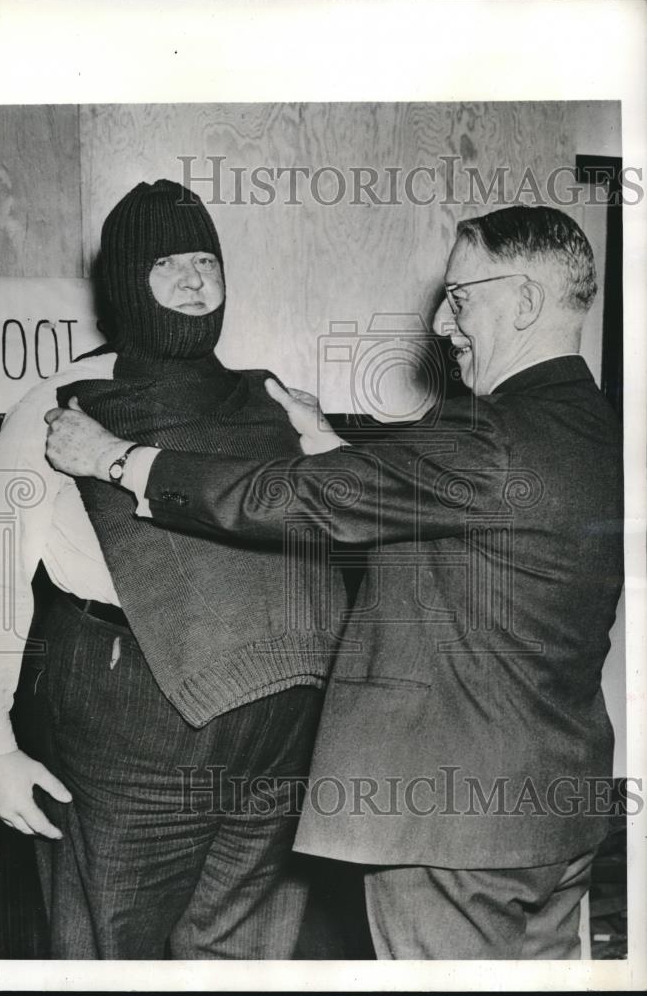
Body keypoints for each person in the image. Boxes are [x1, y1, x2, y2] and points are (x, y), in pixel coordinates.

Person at [45, 205, 624, 959]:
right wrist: (329, 442)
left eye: (459, 297)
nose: (444, 326)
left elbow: (292, 501)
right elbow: (470, 527)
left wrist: (119, 462)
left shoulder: (485, 435)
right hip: (555, 817)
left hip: (452, 830)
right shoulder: (597, 428)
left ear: (521, 300)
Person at [0, 179, 345, 959]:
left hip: (274, 736)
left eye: (206, 261)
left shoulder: (271, 400)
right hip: (129, 722)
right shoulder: (62, 404)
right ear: (126, 282)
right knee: (110, 950)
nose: (194, 280)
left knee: (246, 956)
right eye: (166, 265)